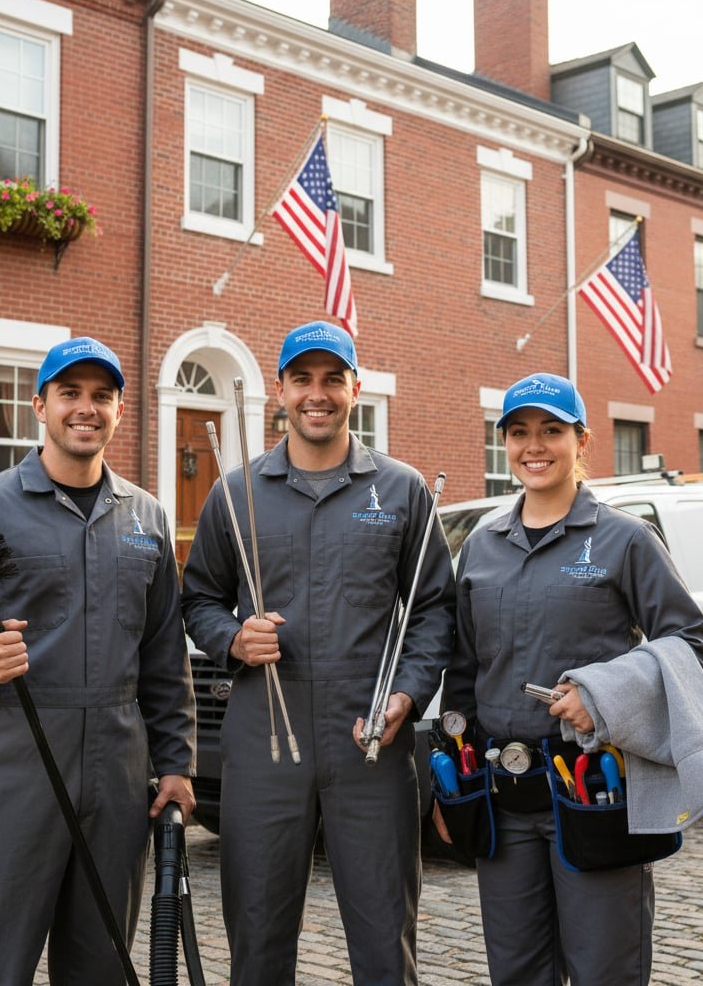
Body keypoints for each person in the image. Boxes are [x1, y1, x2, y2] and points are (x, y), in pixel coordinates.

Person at [0, 336, 196, 986]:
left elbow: (164, 656)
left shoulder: (145, 517)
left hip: (118, 780)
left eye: (101, 396)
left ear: (119, 409)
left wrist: (175, 764)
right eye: (70, 393)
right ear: (40, 404)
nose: (85, 409)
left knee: (101, 968)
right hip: (13, 773)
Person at [180, 319, 455, 986]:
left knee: (385, 938)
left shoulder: (401, 490)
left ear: (355, 387)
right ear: (281, 390)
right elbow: (198, 601)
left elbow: (433, 609)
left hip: (369, 742)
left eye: (334, 378)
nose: (318, 393)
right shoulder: (233, 494)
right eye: (303, 378)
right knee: (258, 932)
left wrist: (409, 694)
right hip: (263, 745)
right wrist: (234, 639)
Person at [438, 372, 703, 986]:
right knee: (516, 972)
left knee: (603, 971)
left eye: (551, 431)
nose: (534, 446)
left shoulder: (625, 540)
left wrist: (604, 697)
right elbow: (463, 671)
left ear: (582, 439)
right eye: (519, 432)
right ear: (504, 442)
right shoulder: (481, 548)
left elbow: (690, 645)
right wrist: (449, 777)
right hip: (501, 794)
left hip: (593, 789)